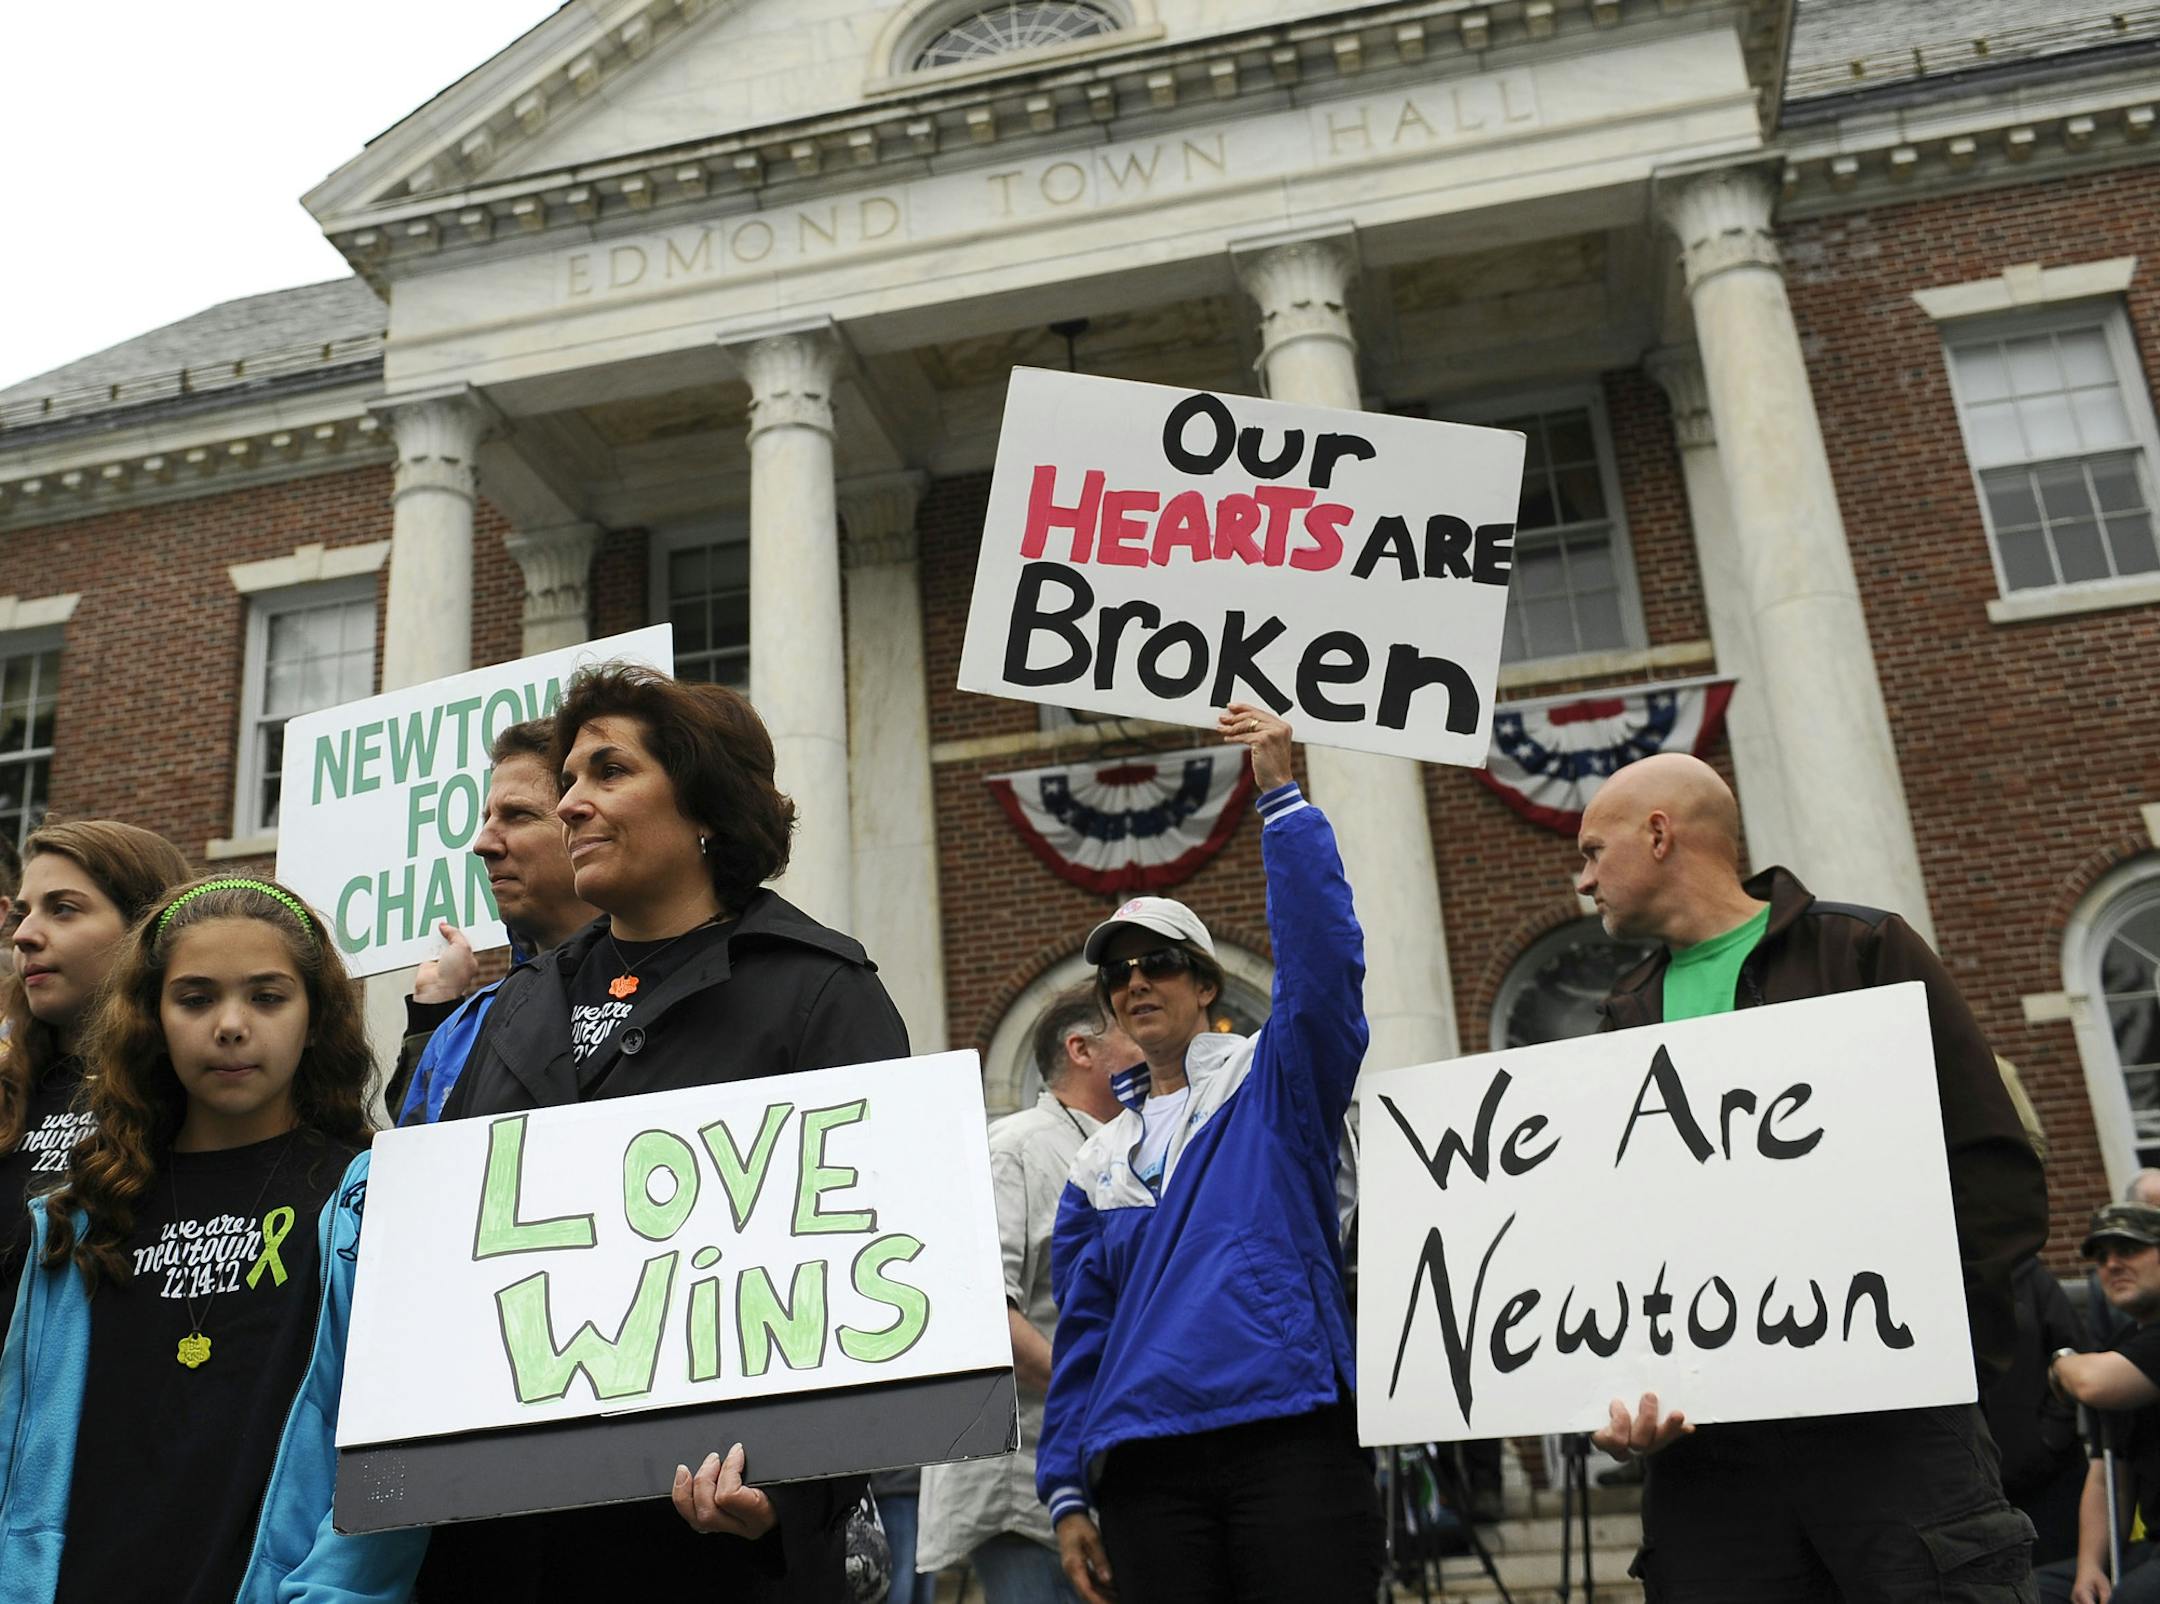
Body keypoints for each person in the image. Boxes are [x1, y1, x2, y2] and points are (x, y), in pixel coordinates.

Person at [423, 662, 909, 1602]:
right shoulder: (522, 1002)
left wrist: (788, 1492)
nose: (570, 804)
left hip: (695, 1546)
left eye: (608, 773)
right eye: (567, 780)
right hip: (502, 1536)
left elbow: (870, 1270)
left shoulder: (819, 994)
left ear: (705, 808)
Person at [1578, 752, 2047, 1600]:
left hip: (1894, 1444)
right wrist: (1619, 1391)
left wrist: (1941, 1355)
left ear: (1658, 835)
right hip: (1709, 1465)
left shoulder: (1859, 950)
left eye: (1591, 852)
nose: (1582, 881)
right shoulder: (1620, 1019)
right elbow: (1617, 1239)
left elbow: (1988, 1168)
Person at [0, 874, 427, 1603]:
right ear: (152, 1018)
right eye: (195, 998)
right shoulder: (75, 1220)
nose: (230, 1025)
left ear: (316, 1016)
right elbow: (18, 1450)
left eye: (267, 997)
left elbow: (395, 1459)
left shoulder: (374, 1203)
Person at [1039, 704, 1383, 1604]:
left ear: (1204, 984)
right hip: (1146, 1466)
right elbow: (1084, 1336)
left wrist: (1282, 801)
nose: (1137, 982)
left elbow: (1322, 972)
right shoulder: (1096, 1163)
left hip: (1289, 1431)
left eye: (1157, 963)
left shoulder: (1273, 1085)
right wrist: (1067, 1485)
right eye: (1118, 974)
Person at [917, 986, 1134, 1604]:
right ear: (1082, 1050)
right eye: (1127, 1031)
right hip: (1025, 1485)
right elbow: (983, 1311)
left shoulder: (1122, 1151)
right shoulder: (1014, 1149)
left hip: (1098, 1470)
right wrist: (1100, 1396)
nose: (1144, 1042)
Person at [0, 819, 191, 1313]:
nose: (23, 935)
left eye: (62, 909)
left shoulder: (196, 1098)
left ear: (143, 930)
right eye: (21, 913)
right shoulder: (8, 1090)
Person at [383, 719, 599, 1123]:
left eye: (517, 815)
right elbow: (416, 1154)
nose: (482, 843)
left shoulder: (676, 980)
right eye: (487, 818)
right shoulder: (462, 1026)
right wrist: (434, 1013)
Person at [2038, 1203, 2160, 1603]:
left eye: (2129, 1250)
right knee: (2028, 1591)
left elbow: (2092, 1383)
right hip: (2151, 1547)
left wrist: (2061, 1363)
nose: (2111, 1265)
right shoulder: (2122, 1344)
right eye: (2102, 1257)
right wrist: (2091, 1568)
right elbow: (2109, 1475)